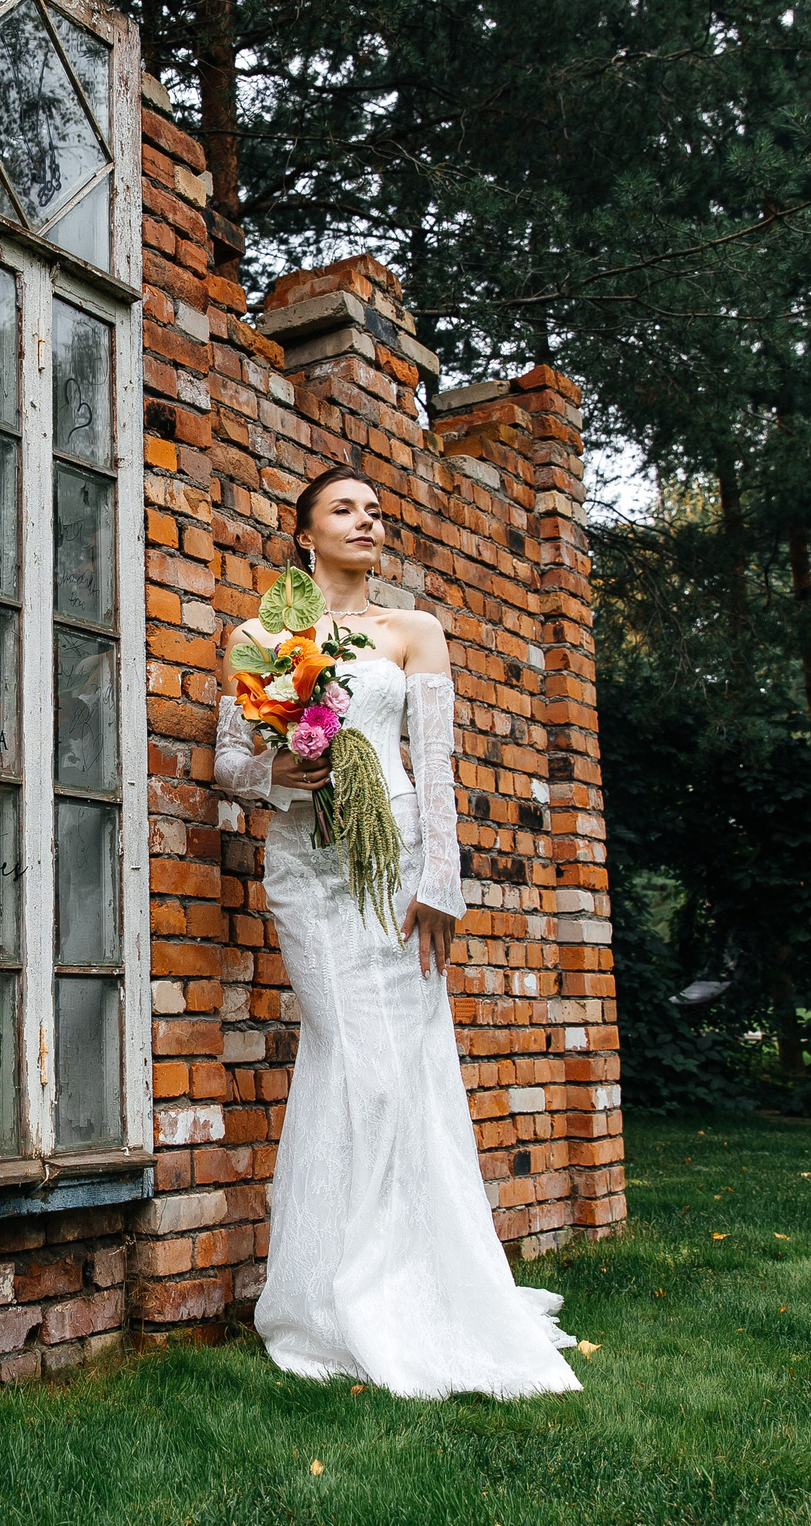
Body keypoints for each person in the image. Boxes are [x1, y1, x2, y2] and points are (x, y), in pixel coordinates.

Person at [213, 462, 582, 1399]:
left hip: (398, 866)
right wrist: (275, 778)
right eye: (345, 509)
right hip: (310, 869)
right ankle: (335, 1290)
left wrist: (443, 884)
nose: (367, 521)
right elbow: (226, 762)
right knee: (350, 1057)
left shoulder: (413, 631)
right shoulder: (260, 637)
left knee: (398, 1066)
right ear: (305, 533)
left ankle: (399, 1285)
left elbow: (441, 764)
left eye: (376, 511)